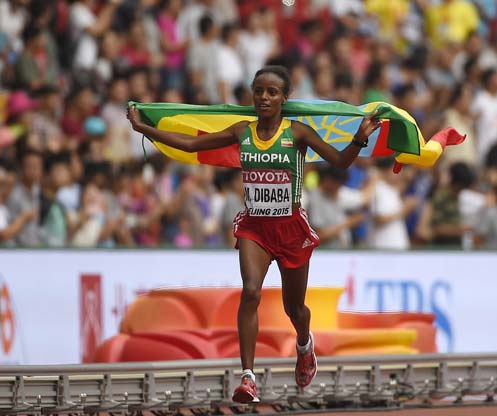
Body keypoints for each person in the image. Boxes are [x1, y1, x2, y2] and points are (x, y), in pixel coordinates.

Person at [127, 65, 381, 403]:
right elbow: (190, 145)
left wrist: (360, 137)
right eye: (258, 90)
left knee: (296, 310)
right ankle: (248, 376)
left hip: (290, 230)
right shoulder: (241, 131)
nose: (263, 97)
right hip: (255, 228)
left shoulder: (298, 133)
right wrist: (145, 128)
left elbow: (340, 161)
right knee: (250, 292)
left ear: (284, 99)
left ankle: (304, 344)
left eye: (272, 92)